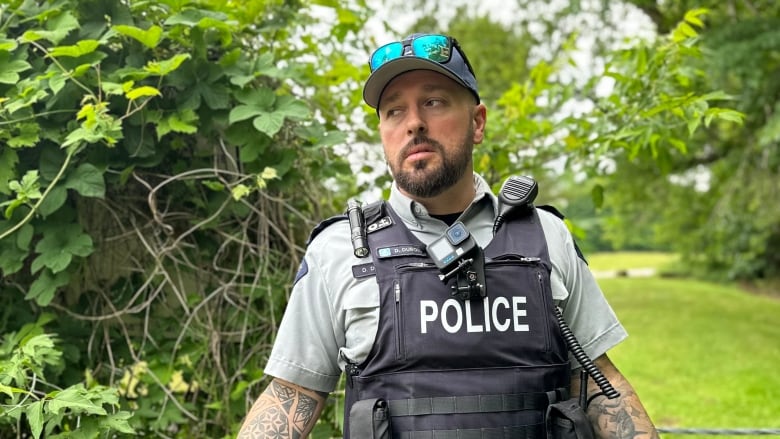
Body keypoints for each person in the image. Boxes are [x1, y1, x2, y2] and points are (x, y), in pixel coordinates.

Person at [237, 33, 660, 439]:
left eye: (433, 102)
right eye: (394, 111)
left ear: (477, 123)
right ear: (383, 132)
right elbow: (291, 394)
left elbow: (598, 381)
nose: (414, 124)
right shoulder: (340, 250)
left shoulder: (546, 237)